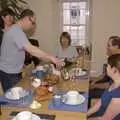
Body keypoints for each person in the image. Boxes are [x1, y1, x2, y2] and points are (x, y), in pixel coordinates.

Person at [0, 9, 63, 92]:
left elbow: (21, 49)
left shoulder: (16, 30)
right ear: (26, 18)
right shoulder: (16, 31)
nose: (33, 26)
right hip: (9, 74)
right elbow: (31, 49)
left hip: (13, 72)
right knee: (14, 103)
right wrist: (52, 58)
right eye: (32, 22)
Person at [88, 54, 120, 120]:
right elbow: (100, 103)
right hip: (98, 115)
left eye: (107, 66)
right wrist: (86, 113)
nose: (106, 68)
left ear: (114, 70)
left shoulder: (118, 97)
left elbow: (105, 118)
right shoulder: (113, 82)